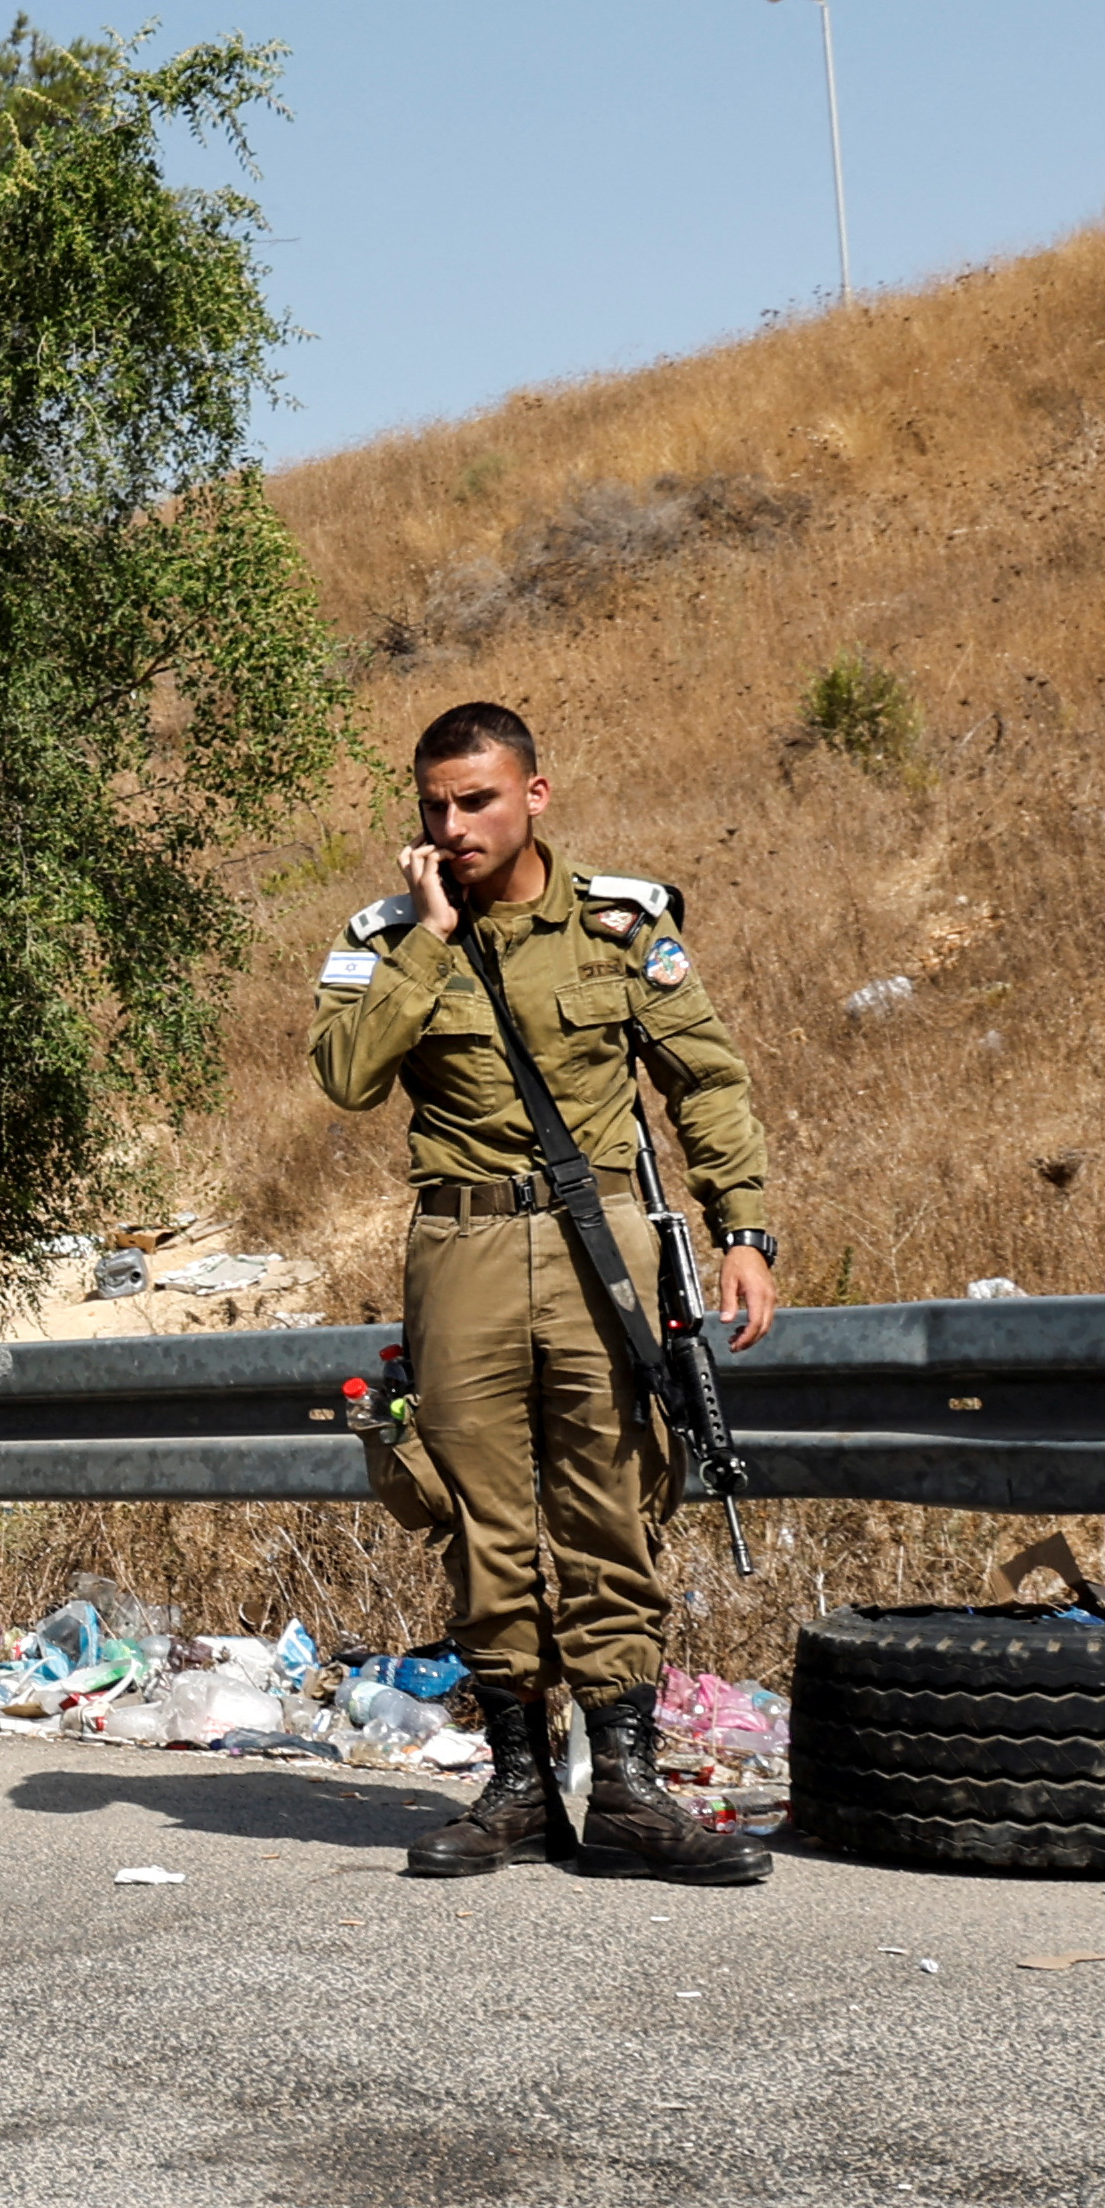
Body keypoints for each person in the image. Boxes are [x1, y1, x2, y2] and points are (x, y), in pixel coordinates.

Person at [312, 700, 780, 1886]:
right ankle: (519, 1785)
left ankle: (624, 1787)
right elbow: (348, 1075)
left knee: (613, 1504)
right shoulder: (383, 937)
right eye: (434, 806)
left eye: (476, 800)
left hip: (602, 1249)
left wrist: (744, 1229)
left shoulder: (624, 927)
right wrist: (424, 938)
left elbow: (706, 1079)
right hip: (460, 1247)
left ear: (536, 796)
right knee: (483, 1519)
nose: (453, 825)